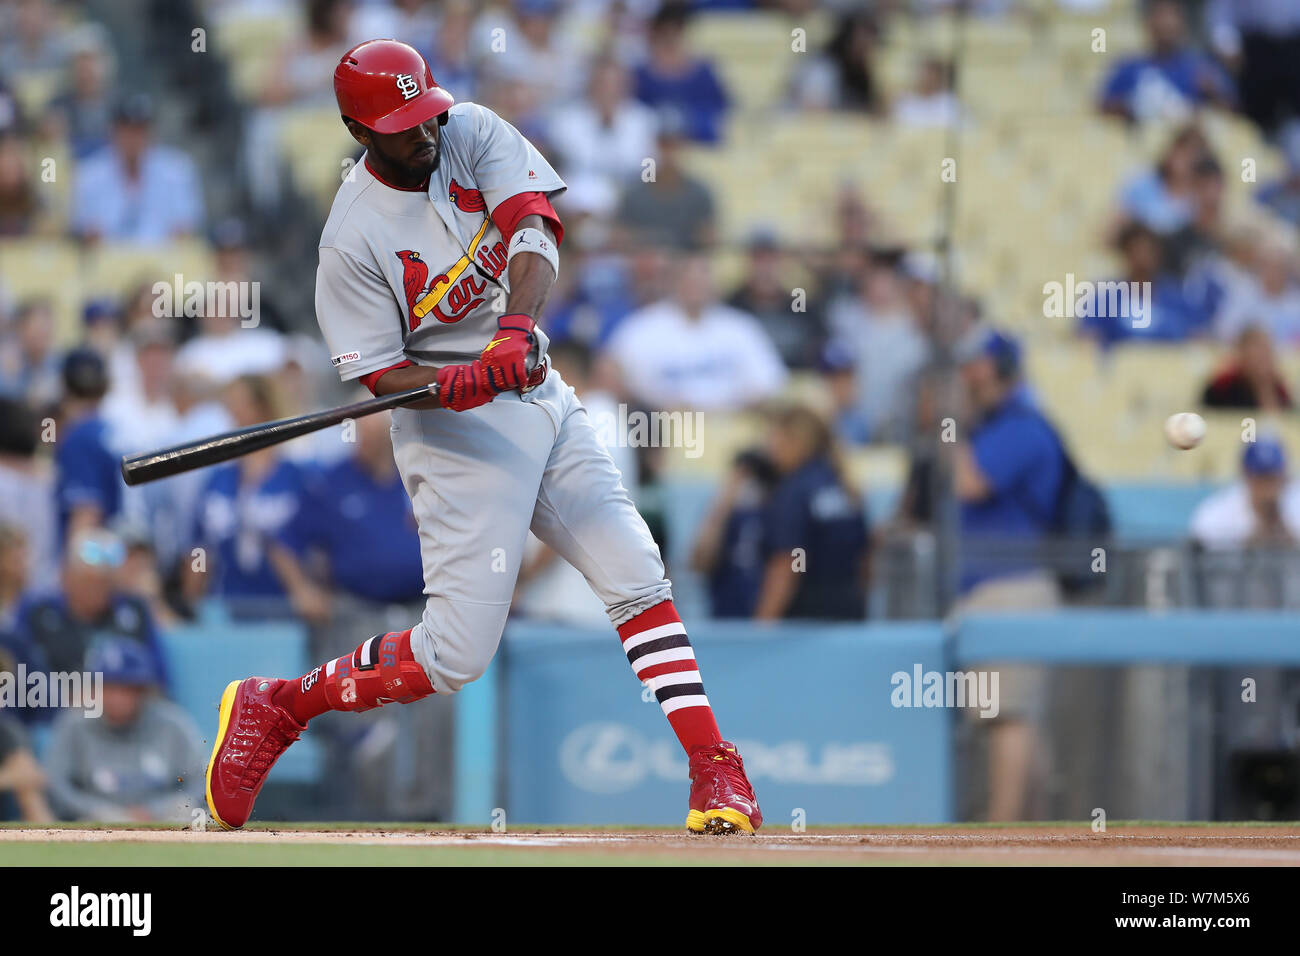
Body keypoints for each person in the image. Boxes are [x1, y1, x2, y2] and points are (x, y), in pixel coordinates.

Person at [204, 40, 761, 835]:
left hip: (531, 381)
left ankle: (715, 770)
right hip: (449, 430)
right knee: (454, 657)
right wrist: (452, 382)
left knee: (636, 568)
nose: (423, 134)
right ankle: (280, 706)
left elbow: (535, 228)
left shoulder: (469, 130)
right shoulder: (348, 238)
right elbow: (376, 377)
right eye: (401, 126)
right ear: (359, 131)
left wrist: (514, 330)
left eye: (424, 112)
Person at [953, 327, 1067, 823]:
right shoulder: (1000, 424)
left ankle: (999, 839)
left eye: (977, 367)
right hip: (996, 588)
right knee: (1016, 720)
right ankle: (1036, 837)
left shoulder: (1021, 425)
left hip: (1011, 587)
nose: (969, 378)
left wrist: (949, 428)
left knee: (1008, 717)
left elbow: (971, 483)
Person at [44, 637, 204, 822]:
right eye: (109, 688)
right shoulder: (74, 724)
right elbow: (56, 785)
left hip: (164, 818)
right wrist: (99, 810)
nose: (116, 698)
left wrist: (155, 809)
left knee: (188, 815)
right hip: (94, 822)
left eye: (126, 689)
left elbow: (200, 782)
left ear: (144, 691)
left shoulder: (173, 724)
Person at [185, 375, 308, 613]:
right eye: (230, 403)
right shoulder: (218, 480)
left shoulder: (296, 477)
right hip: (226, 604)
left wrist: (307, 590)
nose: (233, 411)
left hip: (286, 609)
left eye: (240, 402)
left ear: (263, 406)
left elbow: (316, 545)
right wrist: (193, 606)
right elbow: (200, 548)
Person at [604, 253, 788, 412]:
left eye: (702, 277)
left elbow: (769, 382)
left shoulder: (740, 326)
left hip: (732, 423)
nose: (695, 285)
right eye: (688, 278)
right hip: (662, 429)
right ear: (673, 281)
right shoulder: (640, 327)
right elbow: (611, 373)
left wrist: (729, 407)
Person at [70, 92, 205, 243]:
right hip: (107, 261)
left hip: (163, 262)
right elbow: (83, 232)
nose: (133, 138)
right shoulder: (89, 174)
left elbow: (185, 230)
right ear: (113, 132)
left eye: (140, 130)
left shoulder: (177, 172)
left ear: (151, 132)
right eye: (127, 130)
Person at [1097, 0, 1234, 124]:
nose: (1165, 23)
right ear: (1148, 23)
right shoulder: (1129, 67)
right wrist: (1134, 107)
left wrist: (1212, 93)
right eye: (1160, 16)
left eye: (1171, 16)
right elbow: (1102, 107)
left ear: (1182, 23)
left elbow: (1232, 110)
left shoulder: (1200, 66)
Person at [690, 449, 778, 619]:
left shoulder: (777, 513)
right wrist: (724, 503)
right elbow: (699, 563)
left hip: (767, 623)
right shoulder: (721, 516)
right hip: (726, 620)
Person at [1201, 325, 1293, 410]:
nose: (1262, 357)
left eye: (1266, 350)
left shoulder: (1278, 388)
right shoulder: (1223, 386)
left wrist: (1265, 389)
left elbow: (1284, 419)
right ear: (1241, 353)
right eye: (1256, 351)